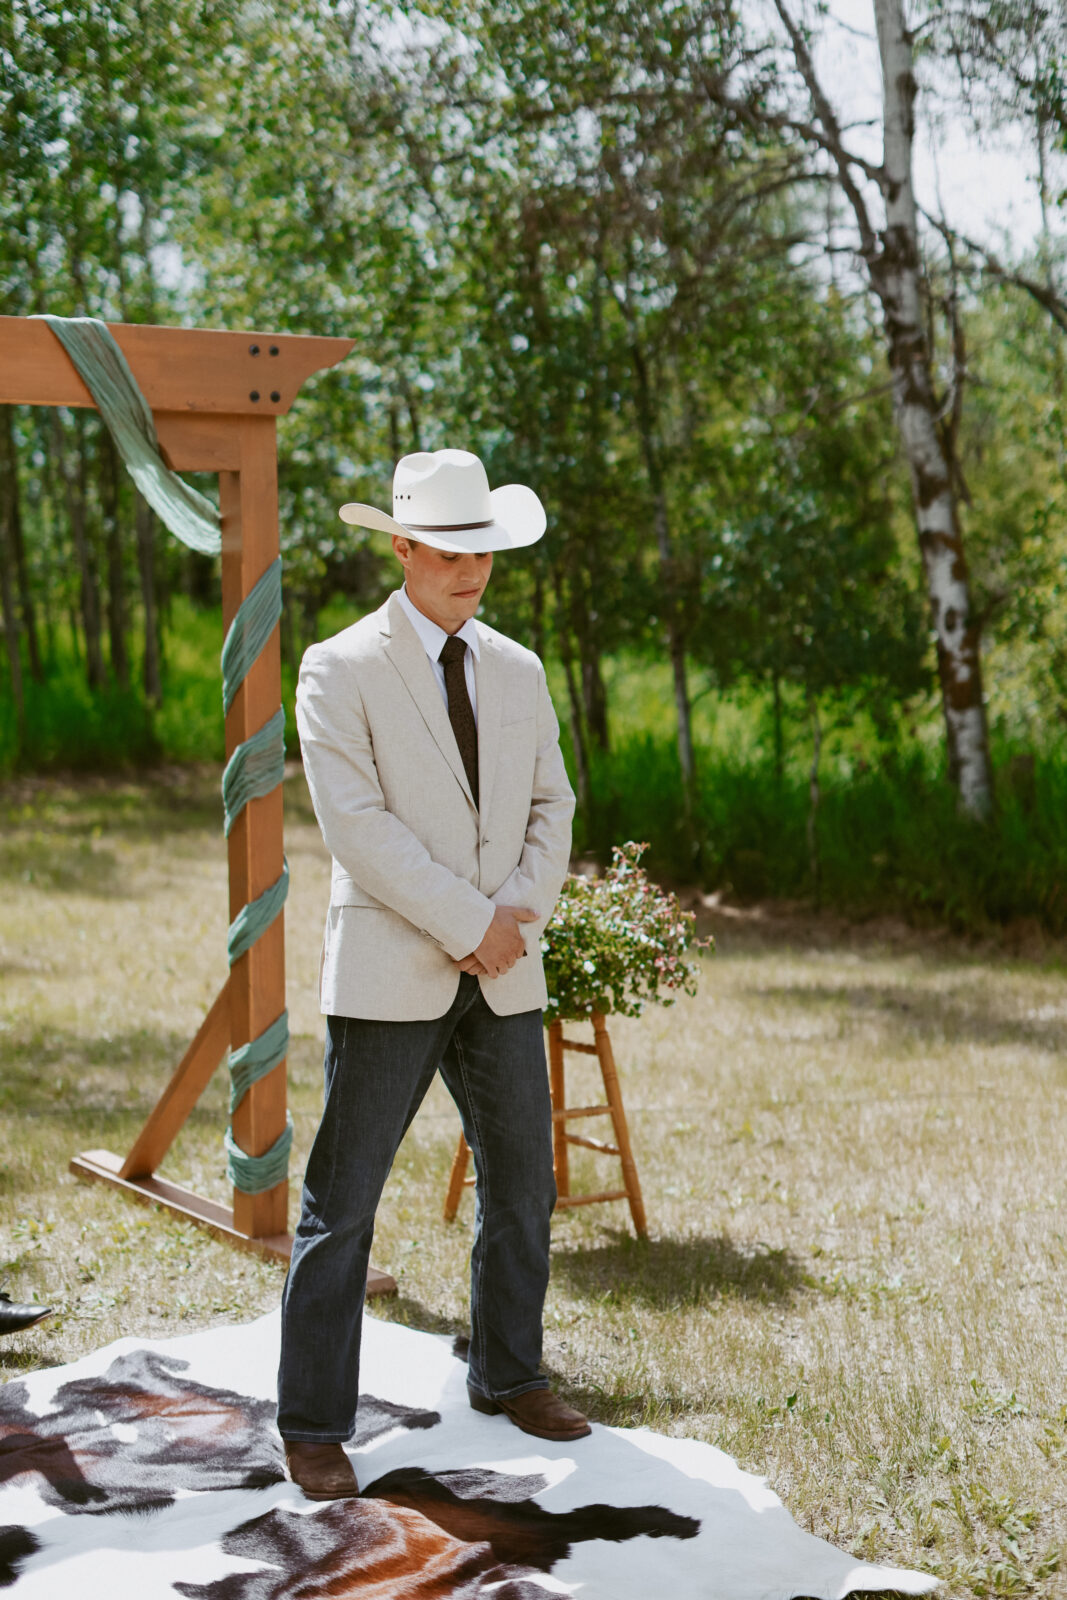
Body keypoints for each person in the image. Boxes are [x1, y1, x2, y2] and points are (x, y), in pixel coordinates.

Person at [277, 448, 586, 1501]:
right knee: (342, 1201)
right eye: (449, 549)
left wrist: (515, 919)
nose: (471, 568)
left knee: (526, 1183)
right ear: (401, 546)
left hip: (503, 965)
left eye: (483, 549)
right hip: (390, 967)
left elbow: (554, 804)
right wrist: (466, 920)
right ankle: (313, 1420)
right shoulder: (338, 665)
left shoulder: (519, 668)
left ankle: (508, 1371)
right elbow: (355, 829)